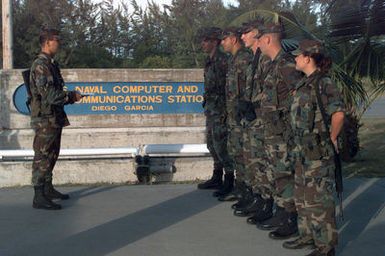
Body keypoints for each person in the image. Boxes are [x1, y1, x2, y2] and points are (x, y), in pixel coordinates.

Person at [283, 39, 344, 256]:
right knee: (302, 197)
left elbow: (338, 113)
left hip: (318, 153)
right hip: (301, 152)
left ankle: (326, 247)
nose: (295, 58)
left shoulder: (323, 83)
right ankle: (308, 235)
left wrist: (331, 138)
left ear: (308, 58)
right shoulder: (304, 83)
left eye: (298, 55)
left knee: (319, 200)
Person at [252, 22, 303, 239]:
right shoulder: (271, 64)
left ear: (268, 39)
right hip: (271, 130)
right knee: (276, 174)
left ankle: (291, 219)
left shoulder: (286, 64)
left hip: (283, 132)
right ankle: (282, 213)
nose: (258, 43)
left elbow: (299, 97)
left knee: (284, 174)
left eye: (259, 38)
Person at [30, 27, 82, 210]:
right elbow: (49, 95)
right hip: (45, 119)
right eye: (56, 41)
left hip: (53, 118)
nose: (58, 44)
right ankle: (39, 196)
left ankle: (48, 188)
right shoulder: (40, 65)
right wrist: (71, 97)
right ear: (47, 42)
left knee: (52, 154)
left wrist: (69, 97)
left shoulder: (51, 64)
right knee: (42, 156)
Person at [232, 20, 274, 221]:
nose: (242, 37)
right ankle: (258, 198)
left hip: (262, 120)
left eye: (245, 33)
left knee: (261, 163)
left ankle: (267, 202)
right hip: (251, 120)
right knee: (252, 162)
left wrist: (254, 104)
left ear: (257, 33)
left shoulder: (265, 60)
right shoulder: (255, 59)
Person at [213, 27, 253, 201]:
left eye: (224, 39)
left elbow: (248, 90)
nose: (222, 43)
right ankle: (241, 189)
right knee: (237, 154)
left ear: (233, 39)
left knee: (244, 155)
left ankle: (247, 192)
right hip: (234, 116)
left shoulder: (244, 59)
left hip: (243, 118)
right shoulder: (233, 60)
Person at [197, 27, 233, 191]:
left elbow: (229, 87)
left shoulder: (223, 60)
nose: (202, 44)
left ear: (214, 42)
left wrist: (227, 110)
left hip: (221, 109)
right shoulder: (209, 61)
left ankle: (229, 179)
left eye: (206, 41)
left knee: (222, 145)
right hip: (211, 109)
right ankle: (217, 176)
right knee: (211, 144)